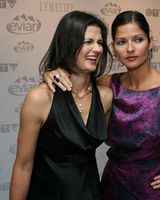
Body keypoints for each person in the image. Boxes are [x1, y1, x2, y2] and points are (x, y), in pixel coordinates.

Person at [43, 10, 160, 200]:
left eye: (138, 40)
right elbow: (74, 81)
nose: (130, 49)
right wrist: (52, 72)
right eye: (122, 42)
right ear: (113, 48)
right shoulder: (108, 84)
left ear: (151, 41)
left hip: (150, 190)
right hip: (111, 184)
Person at [9, 10, 113, 200]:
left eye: (100, 43)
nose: (98, 49)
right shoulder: (40, 98)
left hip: (90, 194)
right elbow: (23, 166)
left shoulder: (106, 96)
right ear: (68, 43)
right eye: (88, 41)